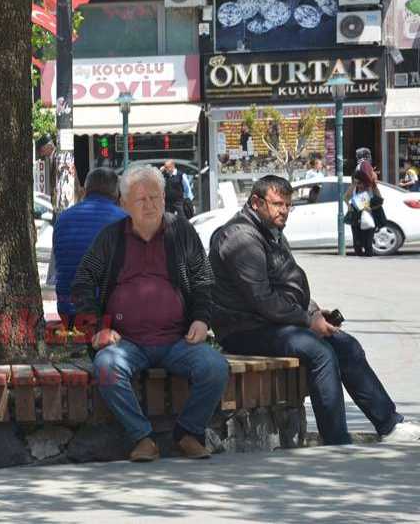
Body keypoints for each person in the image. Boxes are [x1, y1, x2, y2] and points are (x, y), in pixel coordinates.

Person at [208, 174, 420, 445]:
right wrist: (307, 320)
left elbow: (289, 280)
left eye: (287, 205)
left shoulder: (270, 231)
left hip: (272, 322)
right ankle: (336, 440)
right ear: (255, 202)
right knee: (319, 352)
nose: (284, 211)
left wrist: (315, 311)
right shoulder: (240, 238)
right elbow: (261, 299)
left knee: (346, 345)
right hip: (243, 329)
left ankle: (390, 425)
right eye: (277, 204)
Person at [71, 165, 227, 462]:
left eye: (156, 198)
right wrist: (97, 329)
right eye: (141, 200)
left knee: (215, 367)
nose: (151, 205)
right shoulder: (111, 237)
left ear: (165, 200)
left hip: (177, 339)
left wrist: (201, 318)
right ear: (124, 204)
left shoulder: (181, 231)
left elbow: (203, 278)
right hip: (126, 342)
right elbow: (82, 282)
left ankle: (187, 433)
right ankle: (142, 438)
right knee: (106, 366)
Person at [53, 168, 127, 322]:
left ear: (85, 190)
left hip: (68, 310)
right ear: (116, 193)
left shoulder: (63, 219)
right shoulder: (124, 220)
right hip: (109, 314)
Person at [344, 169, 383, 258]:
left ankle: (368, 258)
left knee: (367, 243)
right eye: (356, 182)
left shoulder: (372, 188)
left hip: (369, 217)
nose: (359, 185)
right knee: (357, 243)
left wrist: (370, 208)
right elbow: (345, 197)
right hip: (356, 217)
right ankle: (360, 258)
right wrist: (349, 206)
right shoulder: (354, 187)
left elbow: (380, 201)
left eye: (359, 183)